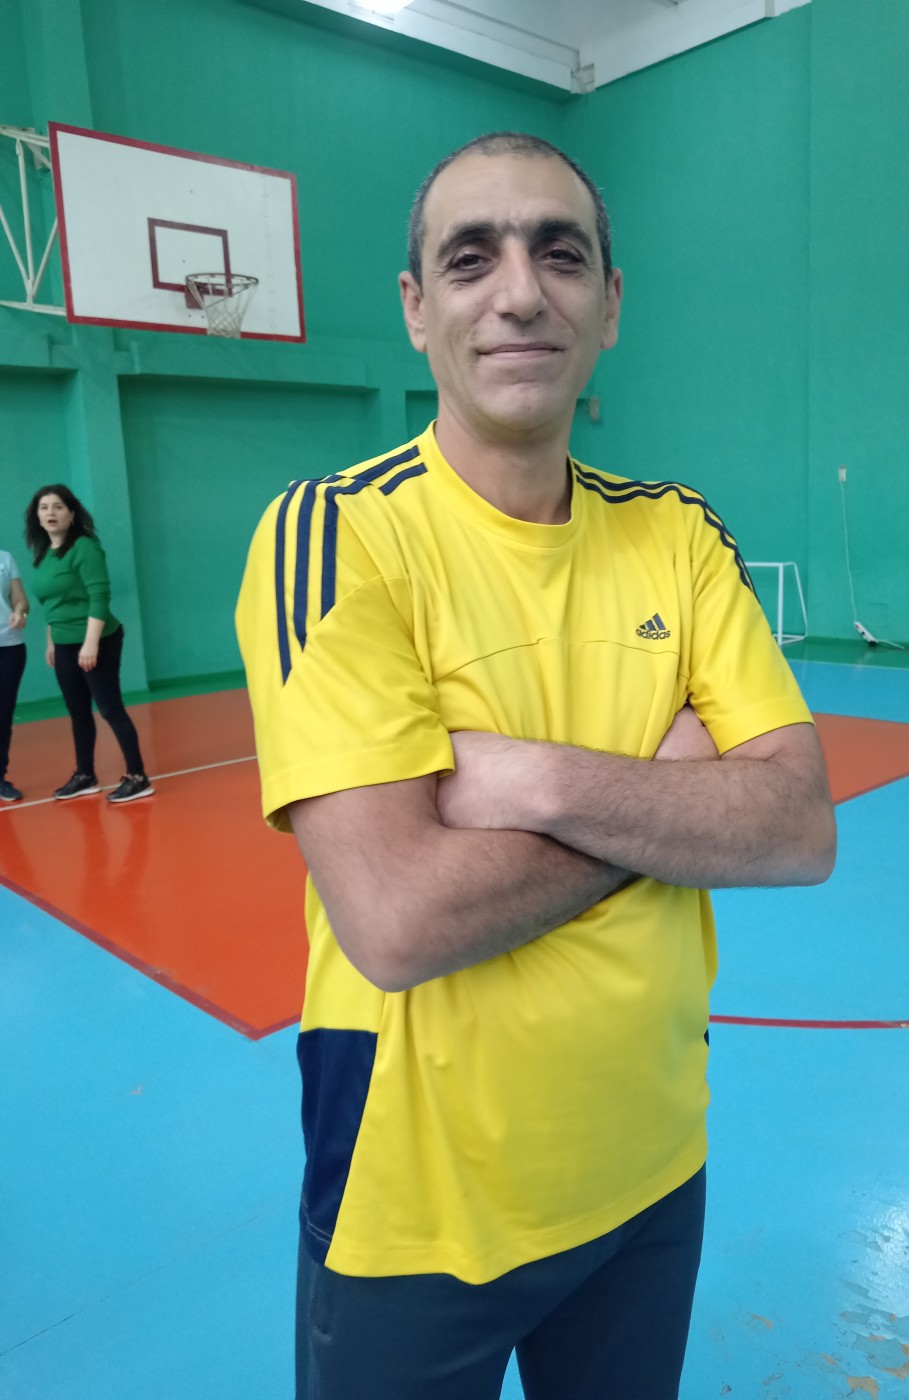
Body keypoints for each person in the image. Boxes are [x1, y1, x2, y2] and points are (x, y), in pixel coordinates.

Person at [236, 132, 836, 1400]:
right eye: (472, 258)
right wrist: (665, 793)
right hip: (416, 1205)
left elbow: (797, 824)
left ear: (610, 304)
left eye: (560, 254)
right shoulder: (334, 535)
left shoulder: (679, 535)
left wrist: (543, 781)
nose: (519, 292)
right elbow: (399, 917)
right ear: (416, 309)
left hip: (653, 1169)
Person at [25, 485, 153, 804]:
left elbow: (99, 596)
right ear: (37, 516)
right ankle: (85, 775)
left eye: (58, 507)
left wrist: (90, 643)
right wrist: (51, 641)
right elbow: (54, 604)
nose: (51, 513)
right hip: (64, 643)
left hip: (98, 639)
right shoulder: (44, 555)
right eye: (44, 507)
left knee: (110, 708)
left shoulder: (84, 547)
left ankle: (138, 777)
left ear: (71, 514)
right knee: (78, 712)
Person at [0, 546, 30, 802]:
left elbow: (21, 600)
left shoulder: (5, 558)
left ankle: (0, 778)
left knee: (2, 716)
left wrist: (20, 612)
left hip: (9, 647)